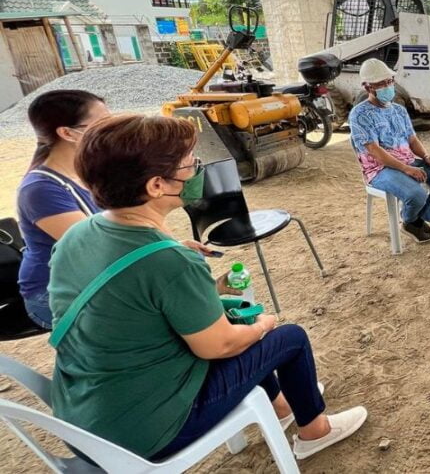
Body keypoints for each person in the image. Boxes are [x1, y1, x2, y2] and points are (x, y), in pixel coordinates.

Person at [49, 114, 368, 460]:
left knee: (241, 327)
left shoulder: (80, 233)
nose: (197, 171)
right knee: (285, 337)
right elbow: (221, 346)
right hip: (146, 434)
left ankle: (281, 408)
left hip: (83, 420)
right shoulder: (168, 262)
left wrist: (174, 255)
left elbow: (131, 300)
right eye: (191, 164)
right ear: (157, 186)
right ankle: (315, 431)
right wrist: (265, 324)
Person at [15, 90, 110, 329]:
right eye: (103, 124)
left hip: (94, 279)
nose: (112, 130)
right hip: (52, 294)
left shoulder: (89, 171)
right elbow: (97, 246)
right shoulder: (40, 189)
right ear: (67, 133)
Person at [349, 58, 430, 244]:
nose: (388, 86)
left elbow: (412, 138)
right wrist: (406, 169)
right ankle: (410, 220)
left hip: (409, 161)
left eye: (390, 81)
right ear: (368, 87)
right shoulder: (359, 114)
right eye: (381, 84)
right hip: (380, 170)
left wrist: (425, 156)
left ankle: (416, 219)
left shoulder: (399, 111)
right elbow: (374, 150)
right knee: (417, 194)